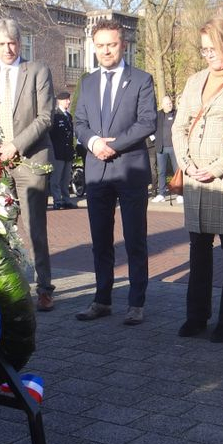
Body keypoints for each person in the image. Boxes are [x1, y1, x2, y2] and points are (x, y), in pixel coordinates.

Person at [0, 18, 57, 312]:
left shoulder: (37, 71)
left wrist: (16, 145)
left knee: (34, 229)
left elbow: (46, 117)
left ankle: (44, 288)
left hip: (31, 160)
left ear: (20, 43)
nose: (8, 48)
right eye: (2, 44)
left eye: (13, 42)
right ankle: (6, 288)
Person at [73, 19, 156, 325]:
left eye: (112, 44)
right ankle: (102, 299)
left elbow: (148, 122)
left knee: (135, 238)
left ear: (123, 45)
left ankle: (136, 303)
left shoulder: (141, 80)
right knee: (101, 240)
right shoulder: (88, 82)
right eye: (100, 45)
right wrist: (94, 143)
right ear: (93, 47)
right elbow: (79, 122)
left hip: (130, 167)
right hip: (97, 170)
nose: (106, 50)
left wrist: (115, 145)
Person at [173, 15, 223, 342]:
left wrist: (216, 167)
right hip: (195, 178)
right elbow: (179, 126)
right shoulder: (194, 80)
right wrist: (186, 164)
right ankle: (196, 315)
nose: (209, 56)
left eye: (213, 49)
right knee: (198, 249)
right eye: (204, 51)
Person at [49, 91, 76, 210]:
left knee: (66, 179)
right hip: (57, 152)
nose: (69, 102)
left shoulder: (68, 116)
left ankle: (66, 199)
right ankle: (57, 200)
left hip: (67, 152)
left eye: (69, 99)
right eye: (66, 100)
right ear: (59, 101)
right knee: (56, 178)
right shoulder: (54, 115)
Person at [151, 95, 178, 202]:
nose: (169, 105)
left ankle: (179, 193)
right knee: (161, 172)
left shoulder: (177, 114)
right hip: (161, 148)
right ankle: (161, 193)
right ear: (162, 105)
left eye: (170, 103)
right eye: (167, 103)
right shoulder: (158, 115)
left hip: (174, 147)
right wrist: (154, 140)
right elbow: (151, 127)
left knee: (177, 171)